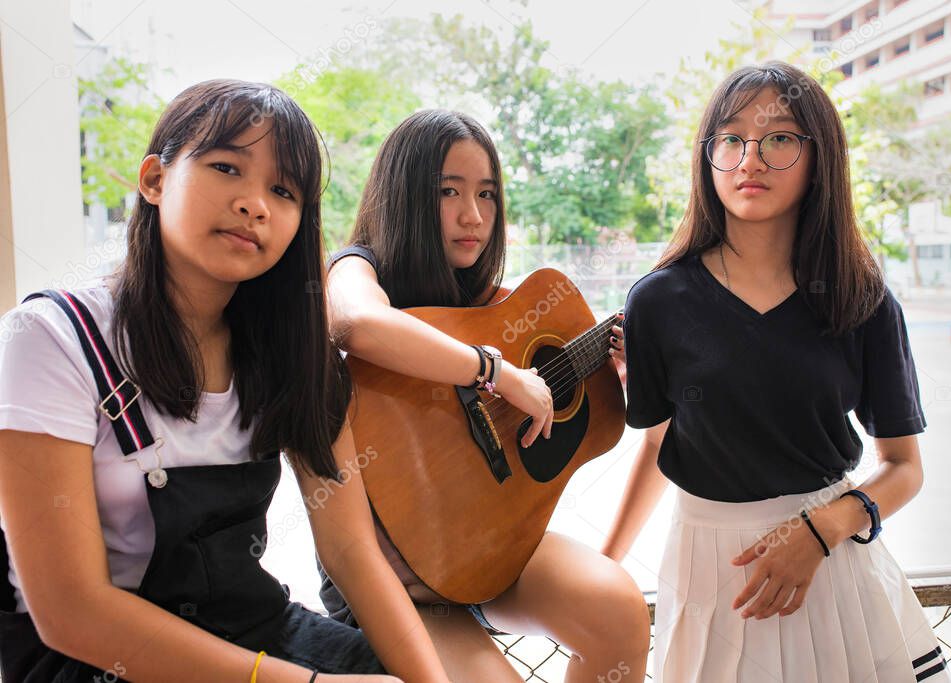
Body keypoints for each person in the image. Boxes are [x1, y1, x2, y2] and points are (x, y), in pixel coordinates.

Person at [0, 79, 448, 682]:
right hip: (98, 658)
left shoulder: (293, 353)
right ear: (155, 179)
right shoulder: (50, 338)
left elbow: (351, 552)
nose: (254, 203)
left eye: (282, 190)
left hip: (253, 630)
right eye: (226, 167)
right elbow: (71, 611)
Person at [602, 62, 950, 682]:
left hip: (832, 560)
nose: (749, 159)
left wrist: (822, 530)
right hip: (707, 565)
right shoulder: (657, 300)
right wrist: (607, 564)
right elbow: (658, 443)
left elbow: (904, 466)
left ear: (821, 158)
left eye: (780, 139)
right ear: (707, 156)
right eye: (730, 139)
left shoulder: (860, 298)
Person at [322, 109, 650, 683]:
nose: (473, 215)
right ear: (404, 196)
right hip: (393, 570)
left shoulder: (498, 302)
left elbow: (572, 405)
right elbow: (355, 322)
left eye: (487, 194)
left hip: (494, 547)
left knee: (618, 611)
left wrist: (614, 373)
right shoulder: (359, 269)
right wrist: (496, 373)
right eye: (448, 191)